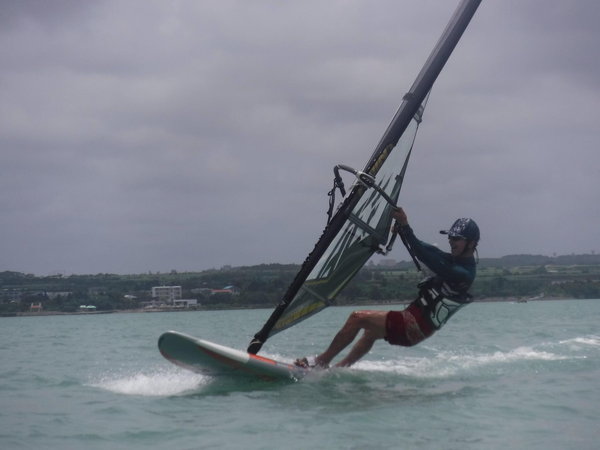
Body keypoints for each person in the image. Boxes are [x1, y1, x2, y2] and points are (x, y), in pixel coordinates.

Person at [295, 207, 479, 369]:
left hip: (413, 325)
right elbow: (429, 250)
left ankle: (321, 361)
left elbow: (427, 257)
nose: (451, 241)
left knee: (356, 318)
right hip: (415, 322)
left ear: (471, 243)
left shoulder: (463, 273)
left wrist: (406, 226)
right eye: (450, 236)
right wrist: (404, 231)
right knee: (370, 333)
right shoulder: (456, 260)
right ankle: (339, 369)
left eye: (457, 238)